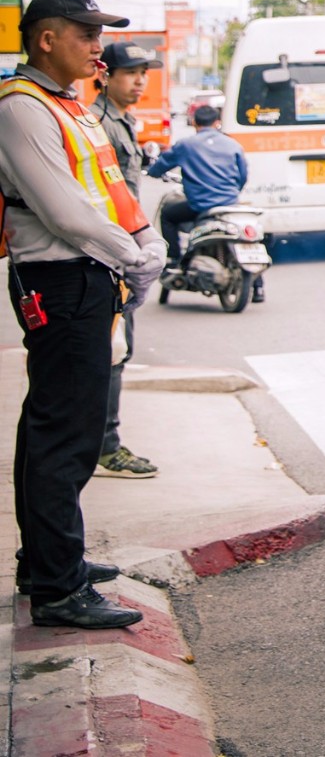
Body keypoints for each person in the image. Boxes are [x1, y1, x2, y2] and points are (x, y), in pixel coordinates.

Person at [0, 0, 166, 629]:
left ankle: (44, 560)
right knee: (62, 437)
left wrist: (142, 242)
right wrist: (132, 255)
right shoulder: (22, 109)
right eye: (85, 33)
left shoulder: (70, 107)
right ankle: (58, 588)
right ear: (46, 39)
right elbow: (65, 212)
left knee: (59, 427)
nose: (99, 45)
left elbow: (110, 189)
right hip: (58, 281)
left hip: (87, 277)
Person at [90, 42, 164, 479]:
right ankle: (105, 446)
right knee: (113, 352)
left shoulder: (121, 122)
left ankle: (100, 442)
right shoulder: (99, 122)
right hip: (113, 255)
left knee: (117, 350)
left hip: (126, 252)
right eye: (129, 72)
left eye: (143, 73)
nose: (139, 81)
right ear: (104, 75)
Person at [147, 103, 248, 261]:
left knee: (167, 215)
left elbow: (159, 167)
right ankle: (257, 284)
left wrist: (152, 171)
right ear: (217, 122)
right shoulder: (233, 144)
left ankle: (173, 260)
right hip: (230, 204)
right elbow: (243, 177)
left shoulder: (185, 145)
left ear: (194, 122)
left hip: (199, 205)